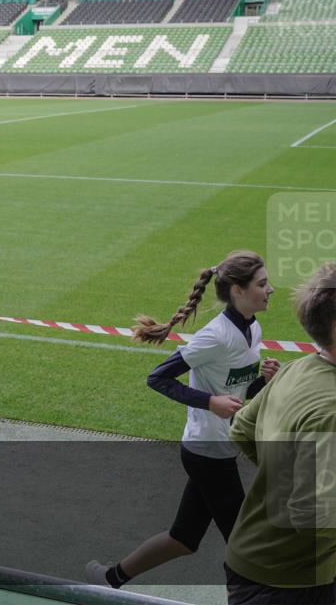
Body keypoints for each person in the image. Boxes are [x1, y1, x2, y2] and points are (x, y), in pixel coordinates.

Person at [86, 251, 280, 588]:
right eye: (262, 284)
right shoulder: (215, 335)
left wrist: (262, 380)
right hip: (207, 452)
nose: (270, 289)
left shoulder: (253, 329)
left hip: (219, 446)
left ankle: (110, 577)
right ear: (237, 289)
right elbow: (158, 378)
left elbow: (236, 393)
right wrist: (209, 401)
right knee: (246, 543)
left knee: (184, 538)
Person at [225, 262, 336, 605]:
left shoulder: (297, 369)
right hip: (291, 583)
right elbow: (313, 515)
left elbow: (242, 429)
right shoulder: (330, 409)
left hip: (250, 558)